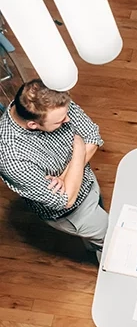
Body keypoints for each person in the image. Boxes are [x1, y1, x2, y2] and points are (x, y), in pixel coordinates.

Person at [0, 79, 107, 261]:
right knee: (110, 239)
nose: (68, 119)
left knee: (99, 232)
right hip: (74, 213)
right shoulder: (11, 157)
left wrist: (65, 176)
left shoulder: (50, 101)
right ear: (33, 125)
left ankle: (94, 245)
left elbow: (92, 136)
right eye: (59, 122)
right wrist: (79, 148)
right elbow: (65, 199)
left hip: (88, 182)